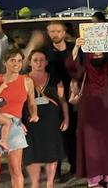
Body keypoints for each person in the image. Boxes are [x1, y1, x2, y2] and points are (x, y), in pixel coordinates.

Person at [65, 34, 108, 187]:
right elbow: (72, 68)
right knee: (91, 145)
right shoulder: (85, 69)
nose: (98, 54)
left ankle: (107, 177)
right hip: (89, 113)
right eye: (95, 52)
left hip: (107, 112)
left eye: (101, 52)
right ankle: (93, 180)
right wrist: (76, 48)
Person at [0, 48, 39, 188]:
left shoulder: (27, 81)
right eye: (12, 60)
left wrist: (34, 114)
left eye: (19, 61)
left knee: (16, 170)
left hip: (14, 125)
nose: (16, 64)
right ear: (5, 62)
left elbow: (32, 104)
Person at [23, 49, 68, 188]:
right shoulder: (23, 80)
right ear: (30, 62)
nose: (39, 63)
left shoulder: (55, 79)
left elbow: (63, 100)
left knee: (52, 153)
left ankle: (50, 183)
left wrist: (66, 118)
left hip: (51, 121)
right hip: (30, 121)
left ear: (47, 62)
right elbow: (16, 103)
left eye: (42, 60)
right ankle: (35, 183)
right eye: (35, 60)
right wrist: (18, 123)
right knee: (32, 154)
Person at [43, 21, 77, 179]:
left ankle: (75, 166)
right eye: (52, 31)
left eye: (58, 31)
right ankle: (56, 171)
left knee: (72, 134)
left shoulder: (74, 49)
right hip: (53, 98)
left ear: (64, 33)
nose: (55, 34)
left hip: (73, 97)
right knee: (54, 136)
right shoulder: (44, 52)